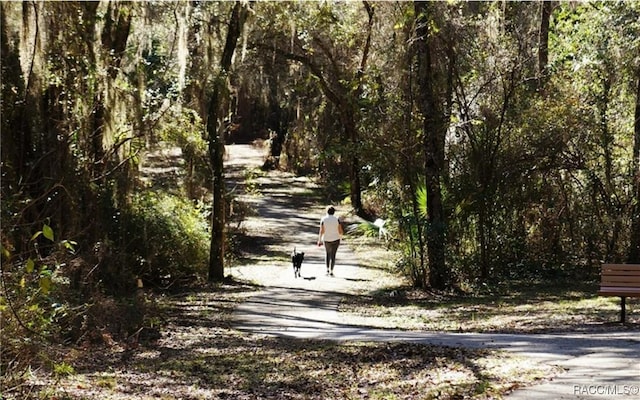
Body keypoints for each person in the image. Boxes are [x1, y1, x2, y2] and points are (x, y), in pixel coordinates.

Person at [317, 206, 344, 276]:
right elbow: (340, 230)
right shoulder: (337, 220)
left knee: (327, 254)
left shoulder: (323, 219)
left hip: (326, 239)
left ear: (327, 211)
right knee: (333, 255)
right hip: (336, 239)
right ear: (334, 212)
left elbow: (321, 231)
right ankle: (332, 271)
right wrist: (341, 238)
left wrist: (319, 240)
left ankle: (327, 270)